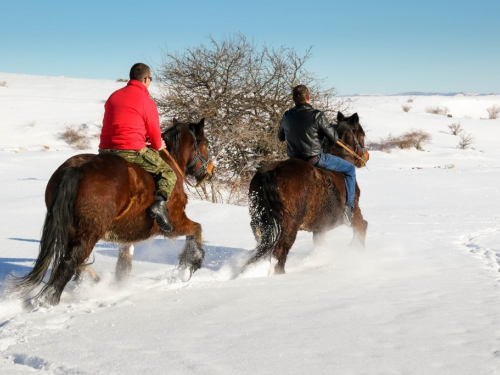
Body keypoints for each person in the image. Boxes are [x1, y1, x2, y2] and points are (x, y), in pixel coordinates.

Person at [99, 63, 177, 232]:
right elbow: (155, 133)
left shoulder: (114, 96)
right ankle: (159, 206)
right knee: (168, 173)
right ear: (146, 79)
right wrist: (158, 144)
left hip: (105, 150)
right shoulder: (145, 100)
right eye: (151, 79)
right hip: (130, 150)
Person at [278, 84, 356, 225]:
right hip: (315, 159)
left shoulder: (286, 115)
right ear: (308, 98)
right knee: (350, 169)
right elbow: (334, 137)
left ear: (293, 99)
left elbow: (281, 137)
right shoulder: (317, 115)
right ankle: (349, 208)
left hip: (294, 160)